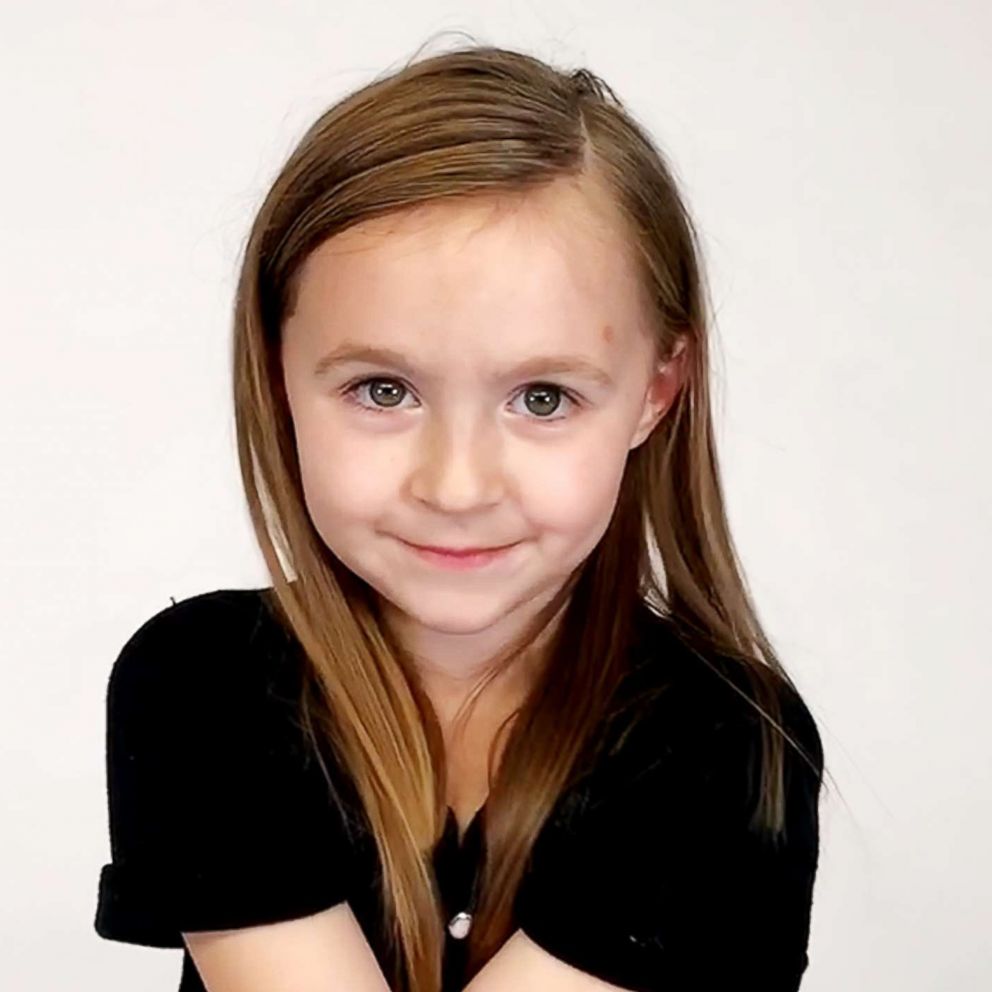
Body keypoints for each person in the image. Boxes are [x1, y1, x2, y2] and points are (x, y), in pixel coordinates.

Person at [94, 39, 826, 992]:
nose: (456, 487)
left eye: (543, 399)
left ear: (656, 392)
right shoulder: (208, 685)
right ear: (277, 376)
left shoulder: (726, 745)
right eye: (383, 389)